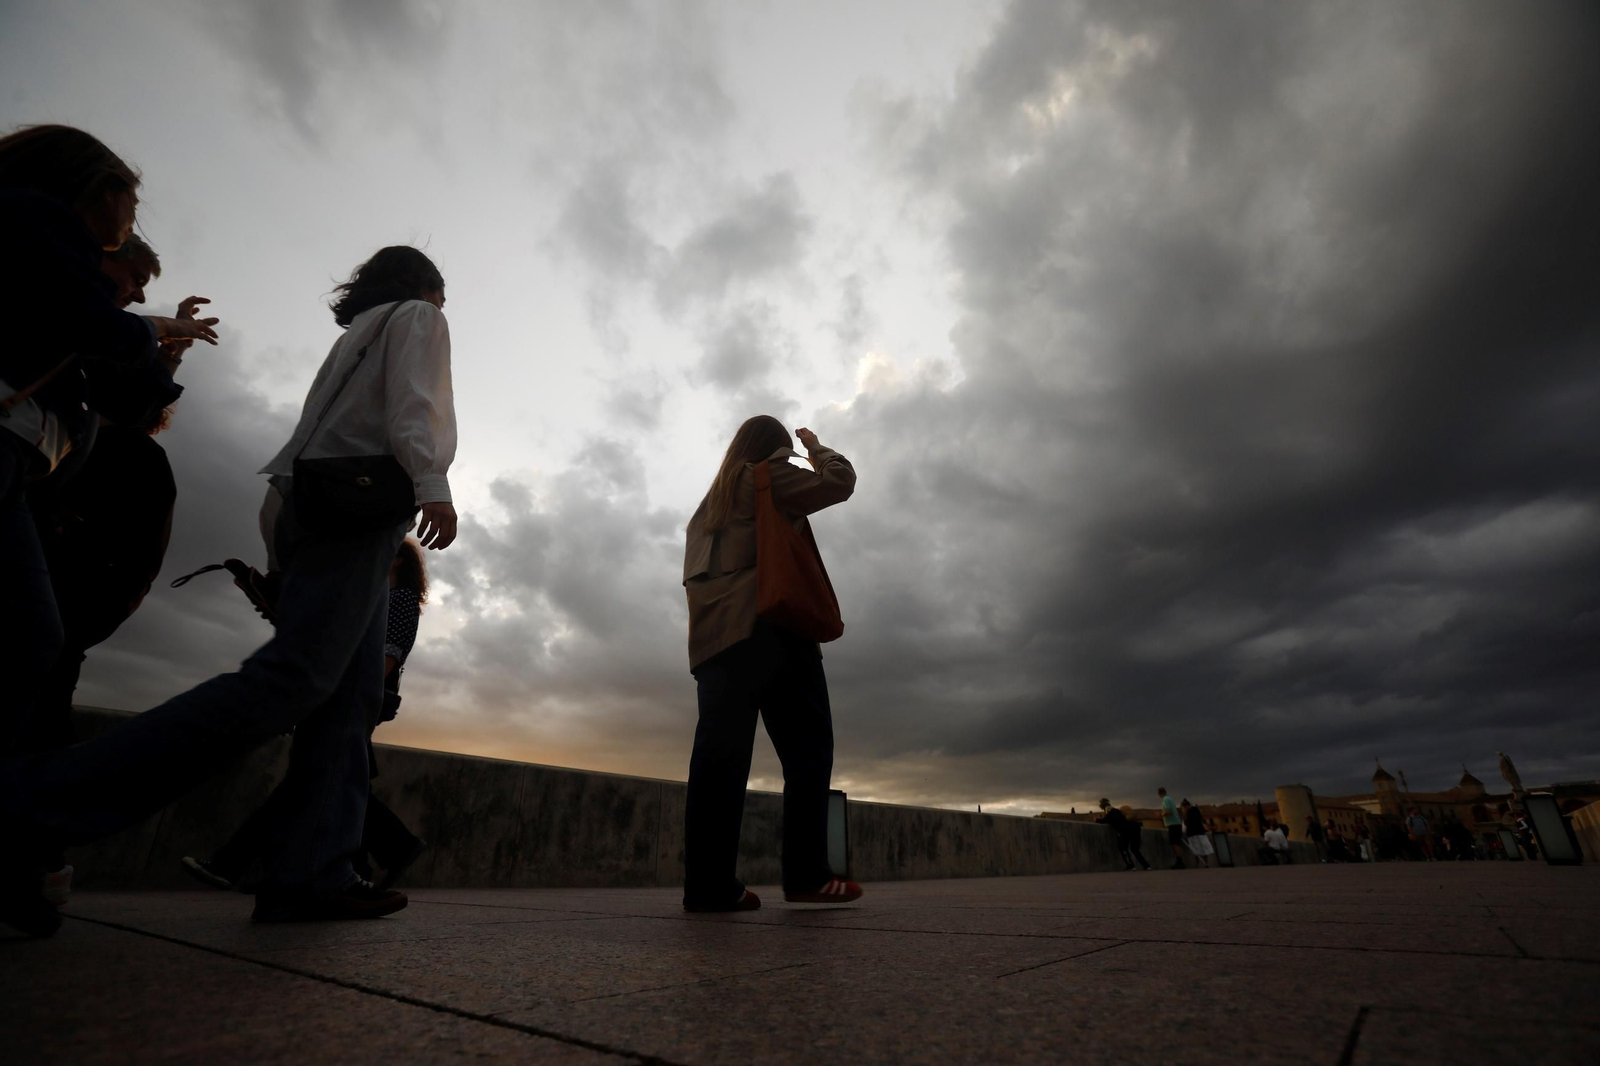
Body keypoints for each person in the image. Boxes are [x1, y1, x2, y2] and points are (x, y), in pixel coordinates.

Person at [0, 245, 457, 937]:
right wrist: (434, 487)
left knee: (348, 696)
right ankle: (29, 801)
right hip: (361, 506)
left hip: (305, 505)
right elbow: (413, 409)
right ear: (428, 288)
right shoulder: (419, 317)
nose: (441, 307)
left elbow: (301, 454)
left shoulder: (355, 335)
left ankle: (313, 871)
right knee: (295, 681)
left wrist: (281, 555)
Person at [0, 124, 218, 754]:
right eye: (132, 281)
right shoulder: (39, 227)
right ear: (98, 192)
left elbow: (122, 405)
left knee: (35, 643)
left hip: (21, 474)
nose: (133, 295)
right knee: (29, 639)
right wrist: (154, 328)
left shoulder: (57, 283)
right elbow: (98, 328)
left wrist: (165, 350)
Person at [681, 415, 860, 912]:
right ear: (771, 448)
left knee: (719, 764)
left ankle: (708, 886)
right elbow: (838, 483)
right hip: (771, 631)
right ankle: (807, 875)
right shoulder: (764, 475)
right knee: (808, 753)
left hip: (715, 643)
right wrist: (815, 448)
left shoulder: (707, 507)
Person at [182, 541, 431, 892]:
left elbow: (388, 656)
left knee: (313, 778)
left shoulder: (401, 599)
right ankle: (366, 862)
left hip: (355, 693)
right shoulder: (372, 597)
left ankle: (233, 863)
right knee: (328, 777)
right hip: (344, 690)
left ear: (398, 560)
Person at [1097, 798, 1151, 870]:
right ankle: (1146, 866)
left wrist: (1096, 819)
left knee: (1123, 848)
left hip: (1125, 832)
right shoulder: (1119, 812)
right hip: (1135, 829)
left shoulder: (1111, 814)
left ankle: (1131, 865)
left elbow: (1104, 821)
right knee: (1135, 849)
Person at [1158, 787, 1185, 869]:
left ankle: (1179, 862)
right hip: (1177, 823)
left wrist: (1160, 815)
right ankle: (1180, 862)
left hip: (1173, 824)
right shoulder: (1170, 799)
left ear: (1159, 793)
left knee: (1174, 843)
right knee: (1177, 843)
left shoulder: (1165, 800)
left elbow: (1168, 811)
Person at [1182, 799, 1213, 868]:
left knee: (1196, 849)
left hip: (1193, 833)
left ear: (1185, 806)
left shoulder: (1189, 813)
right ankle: (1206, 863)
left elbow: (1187, 823)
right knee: (1203, 848)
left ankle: (1198, 864)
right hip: (1201, 832)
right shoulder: (1196, 811)